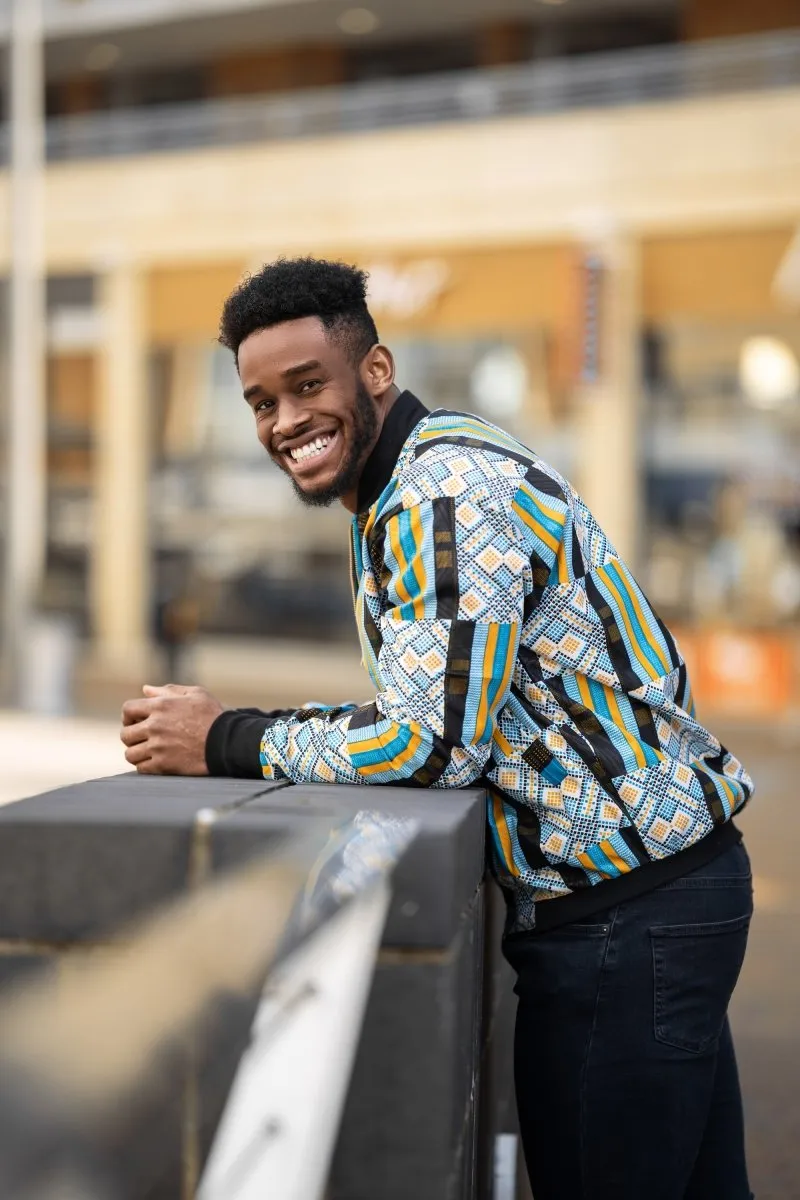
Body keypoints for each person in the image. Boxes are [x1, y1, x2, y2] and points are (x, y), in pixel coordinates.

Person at [120, 257, 754, 1200]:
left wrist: (226, 739)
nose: (284, 422)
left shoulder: (440, 493)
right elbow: (439, 714)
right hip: (655, 901)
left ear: (375, 371)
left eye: (306, 386)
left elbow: (427, 745)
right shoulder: (414, 479)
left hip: (624, 920)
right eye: (260, 403)